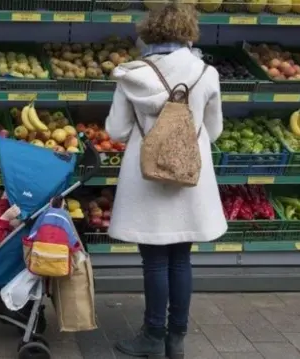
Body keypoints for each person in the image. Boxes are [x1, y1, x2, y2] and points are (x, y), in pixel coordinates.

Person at [104, 3, 227, 359]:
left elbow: (116, 130)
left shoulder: (132, 73)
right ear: (189, 30)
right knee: (181, 260)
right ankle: (177, 338)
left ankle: (152, 336)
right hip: (190, 177)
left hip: (146, 180)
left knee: (155, 261)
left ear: (149, 31)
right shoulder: (206, 73)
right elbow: (215, 131)